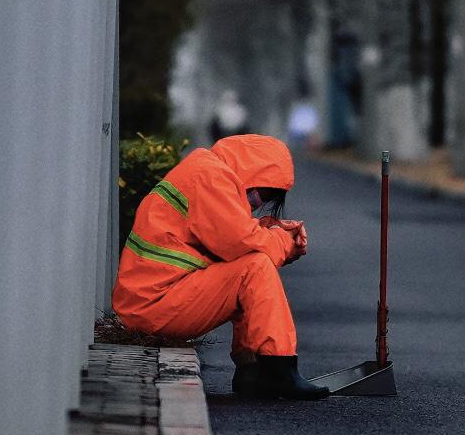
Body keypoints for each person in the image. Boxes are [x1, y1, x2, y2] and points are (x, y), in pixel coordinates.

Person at [112, 133, 328, 400]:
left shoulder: (208, 169)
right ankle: (277, 370)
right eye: (265, 193)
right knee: (254, 267)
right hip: (155, 305)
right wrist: (284, 241)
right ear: (255, 171)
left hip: (152, 300)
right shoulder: (211, 176)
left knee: (248, 268)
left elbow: (223, 237)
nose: (258, 203)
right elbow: (241, 244)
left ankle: (254, 370)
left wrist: (270, 230)